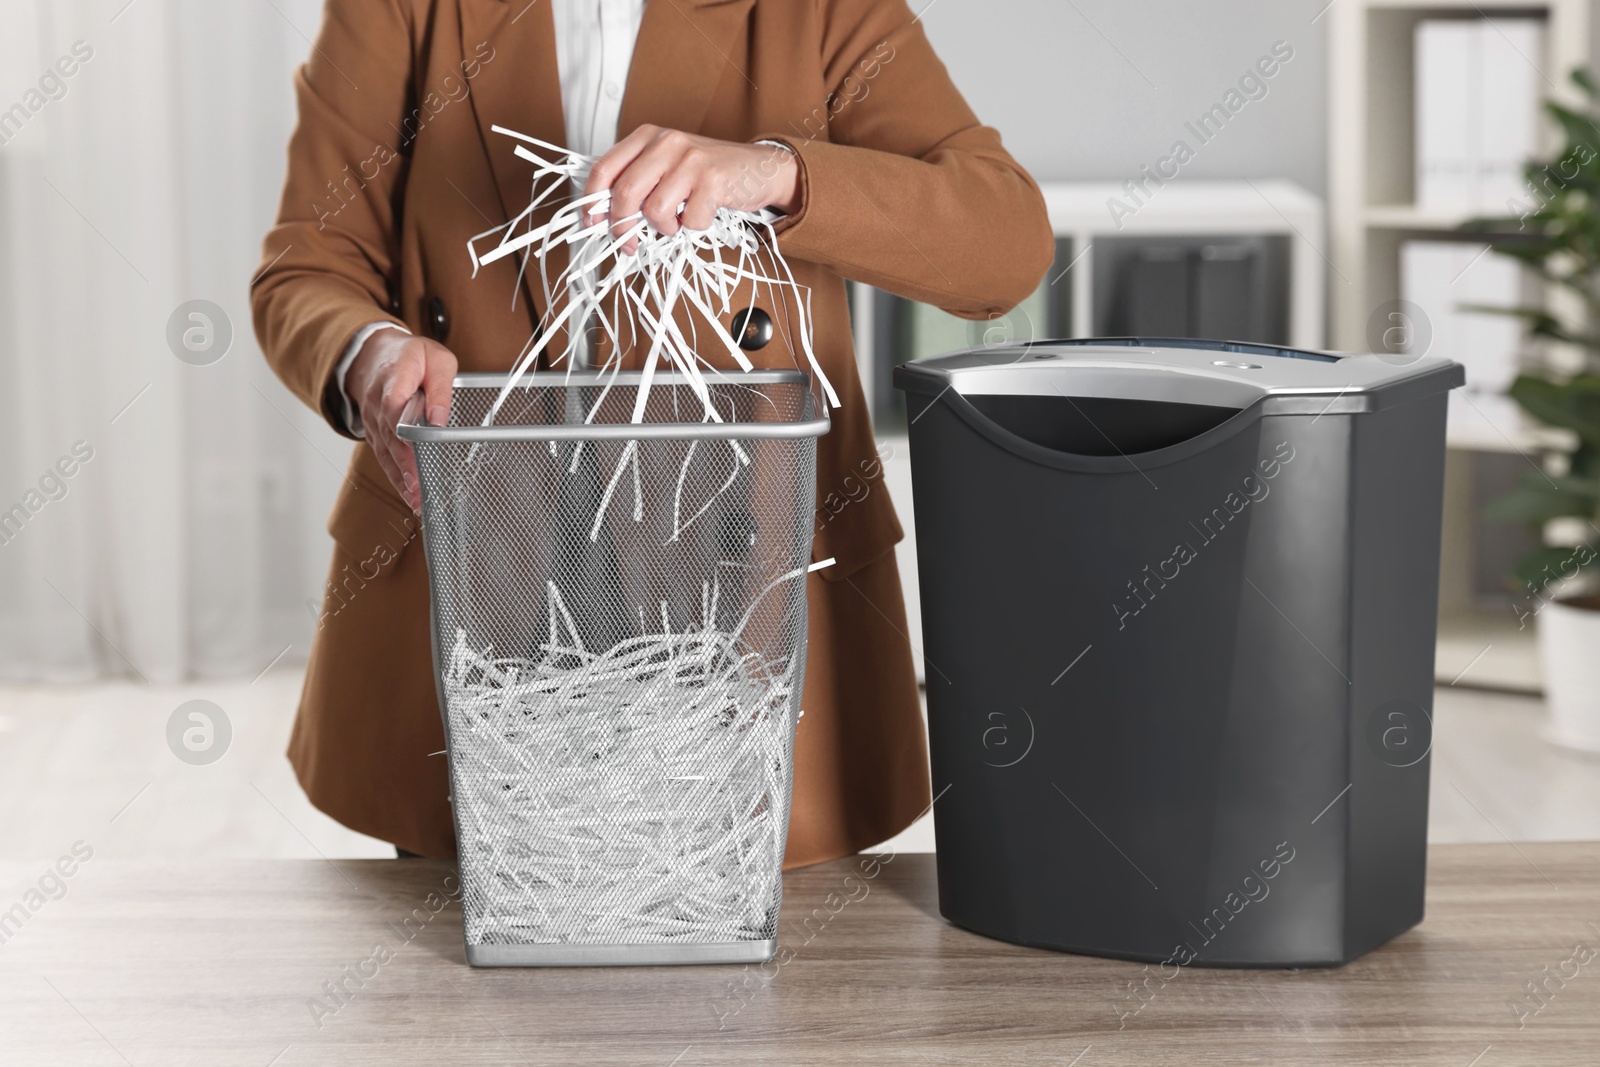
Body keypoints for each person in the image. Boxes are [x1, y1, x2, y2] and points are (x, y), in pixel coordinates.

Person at [252, 0, 1053, 864]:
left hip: (742, 586)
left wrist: (776, 173)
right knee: (481, 978)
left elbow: (1005, 242)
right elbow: (306, 266)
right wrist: (369, 357)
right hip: (482, 576)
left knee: (784, 980)